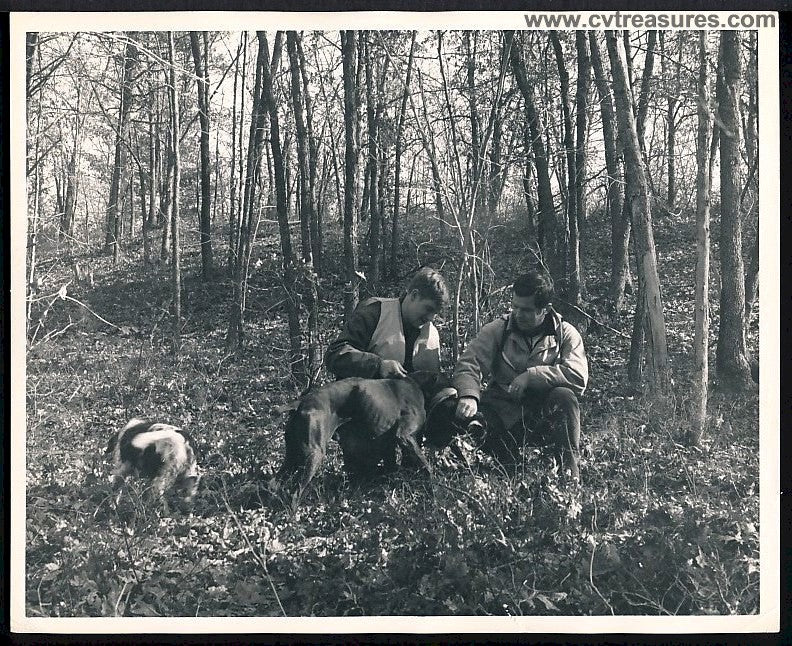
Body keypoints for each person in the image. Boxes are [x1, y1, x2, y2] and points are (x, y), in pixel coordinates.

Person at [452, 271, 588, 481]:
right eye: (514, 306)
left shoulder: (566, 334)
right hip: (502, 410)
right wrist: (469, 394)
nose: (517, 313)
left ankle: (570, 478)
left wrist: (531, 376)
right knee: (467, 424)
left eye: (526, 309)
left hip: (540, 416)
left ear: (545, 310)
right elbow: (470, 363)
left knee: (565, 397)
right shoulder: (498, 329)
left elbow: (578, 377)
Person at [324, 267, 450, 380]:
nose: (430, 318)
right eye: (428, 309)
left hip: (409, 404)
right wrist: (378, 366)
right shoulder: (374, 312)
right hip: (362, 400)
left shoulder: (431, 334)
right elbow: (335, 355)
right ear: (414, 295)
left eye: (435, 313)